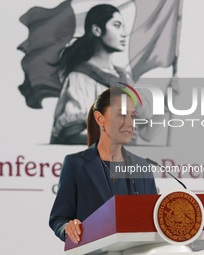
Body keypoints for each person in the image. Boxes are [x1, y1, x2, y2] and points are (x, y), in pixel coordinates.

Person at [49, 88, 157, 243]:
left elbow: (154, 219)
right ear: (100, 119)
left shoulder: (142, 166)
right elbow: (58, 219)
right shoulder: (76, 164)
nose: (129, 123)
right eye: (121, 115)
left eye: (133, 116)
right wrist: (67, 227)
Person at [50, 4, 151, 145]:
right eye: (116, 25)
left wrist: (168, 104)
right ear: (97, 30)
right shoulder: (80, 77)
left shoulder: (124, 77)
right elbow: (71, 133)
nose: (123, 33)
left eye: (123, 27)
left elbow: (147, 133)